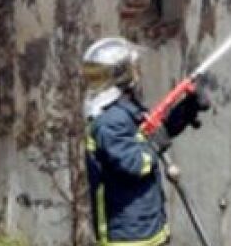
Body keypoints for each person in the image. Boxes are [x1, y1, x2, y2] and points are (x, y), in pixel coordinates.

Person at [81, 37, 209, 246]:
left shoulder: (124, 109)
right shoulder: (108, 122)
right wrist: (157, 142)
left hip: (149, 226)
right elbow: (136, 162)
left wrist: (187, 109)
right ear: (124, 74)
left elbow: (156, 132)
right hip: (129, 237)